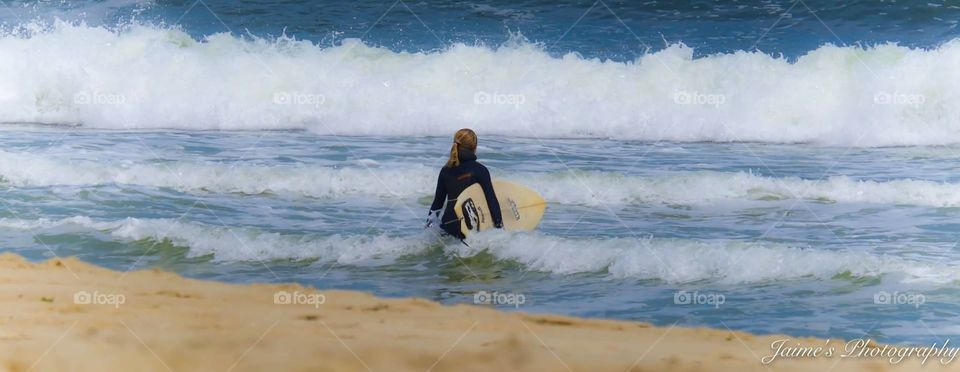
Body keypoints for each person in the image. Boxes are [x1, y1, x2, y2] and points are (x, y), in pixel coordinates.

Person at [426, 128, 503, 239]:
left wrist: (428, 229)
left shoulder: (445, 170)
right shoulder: (480, 170)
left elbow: (437, 205)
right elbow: (492, 202)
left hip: (447, 226)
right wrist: (499, 228)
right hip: (469, 227)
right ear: (475, 148)